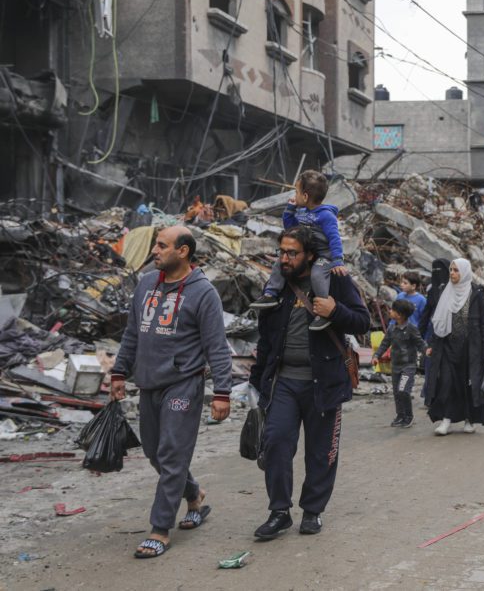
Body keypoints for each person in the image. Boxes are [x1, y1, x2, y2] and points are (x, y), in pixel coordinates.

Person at [110, 226, 233, 559]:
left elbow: (216, 346)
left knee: (172, 453)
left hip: (184, 384)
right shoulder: (147, 284)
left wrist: (222, 391)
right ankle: (193, 494)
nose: (154, 250)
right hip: (148, 382)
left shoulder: (203, 292)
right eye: (155, 245)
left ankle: (160, 529)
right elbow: (133, 332)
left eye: (162, 246)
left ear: (183, 251)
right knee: (154, 452)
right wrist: (119, 371)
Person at [249, 227, 371, 539]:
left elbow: (362, 321)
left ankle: (313, 511)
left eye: (292, 253)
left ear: (311, 255)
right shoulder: (277, 286)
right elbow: (266, 337)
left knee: (320, 453)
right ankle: (279, 511)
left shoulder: (335, 279)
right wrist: (257, 382)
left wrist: (335, 310)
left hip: (324, 383)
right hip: (283, 382)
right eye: (281, 252)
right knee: (275, 443)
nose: (285, 259)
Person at [250, 171, 346, 331]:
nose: (295, 195)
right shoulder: (302, 213)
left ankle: (323, 312)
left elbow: (335, 239)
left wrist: (337, 260)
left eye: (296, 192)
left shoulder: (326, 216)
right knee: (280, 262)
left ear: (306, 196)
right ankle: (271, 294)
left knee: (317, 274)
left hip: (323, 255)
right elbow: (291, 230)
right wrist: (289, 210)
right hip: (307, 252)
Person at [425, 258, 484, 436]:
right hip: (447, 347)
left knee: (468, 384)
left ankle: (469, 419)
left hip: (470, 350)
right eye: (451, 270)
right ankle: (446, 420)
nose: (452, 273)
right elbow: (439, 321)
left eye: (456, 270)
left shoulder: (476, 295)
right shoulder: (445, 292)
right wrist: (432, 344)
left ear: (464, 272)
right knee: (447, 383)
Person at [373, 299, 426, 429]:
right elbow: (385, 343)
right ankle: (400, 415)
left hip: (408, 367)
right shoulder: (391, 328)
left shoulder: (412, 329)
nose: (390, 311)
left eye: (393, 310)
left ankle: (408, 416)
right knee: (397, 392)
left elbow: (420, 343)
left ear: (400, 315)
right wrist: (376, 356)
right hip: (395, 366)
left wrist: (427, 350)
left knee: (403, 390)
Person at [419, 259, 450, 402]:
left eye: (440, 270)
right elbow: (426, 314)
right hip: (434, 334)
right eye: (434, 270)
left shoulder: (454, 289)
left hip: (451, 333)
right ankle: (430, 396)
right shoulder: (432, 291)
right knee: (431, 366)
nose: (437, 274)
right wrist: (419, 336)